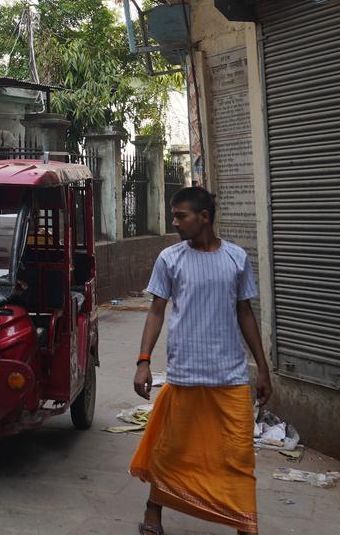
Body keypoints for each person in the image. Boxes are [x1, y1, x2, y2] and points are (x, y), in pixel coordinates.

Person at [128, 185, 270, 535]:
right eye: (174, 215)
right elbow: (156, 311)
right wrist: (143, 361)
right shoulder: (170, 259)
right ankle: (153, 509)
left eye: (181, 216)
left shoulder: (236, 258)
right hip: (185, 374)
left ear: (203, 218)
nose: (174, 222)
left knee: (238, 454)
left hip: (231, 376)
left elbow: (245, 313)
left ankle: (244, 524)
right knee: (172, 450)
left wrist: (262, 369)